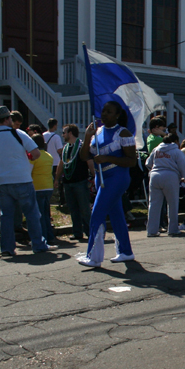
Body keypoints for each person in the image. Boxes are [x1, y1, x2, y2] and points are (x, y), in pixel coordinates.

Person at [0, 106, 51, 256]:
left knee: (6, 216)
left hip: (0, 181)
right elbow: (36, 153)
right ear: (6, 119)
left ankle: (7, 248)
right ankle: (38, 244)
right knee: (32, 214)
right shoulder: (18, 134)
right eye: (10, 118)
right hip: (21, 178)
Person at [77, 101, 137, 267]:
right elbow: (84, 157)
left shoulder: (123, 133)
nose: (104, 114)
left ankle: (93, 257)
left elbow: (132, 161)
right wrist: (87, 136)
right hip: (100, 177)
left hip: (117, 177)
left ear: (117, 115)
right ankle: (126, 251)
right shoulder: (97, 132)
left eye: (109, 112)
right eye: (103, 111)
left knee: (97, 214)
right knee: (117, 215)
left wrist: (108, 158)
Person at [146, 133, 185, 237]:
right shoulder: (176, 151)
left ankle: (152, 230)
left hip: (155, 176)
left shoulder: (156, 150)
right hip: (170, 176)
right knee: (172, 204)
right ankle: (173, 229)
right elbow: (184, 166)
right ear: (175, 141)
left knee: (153, 204)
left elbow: (148, 163)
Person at [54, 124, 94, 241]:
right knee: (73, 209)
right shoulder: (66, 148)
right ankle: (77, 233)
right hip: (68, 183)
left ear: (70, 133)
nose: (63, 135)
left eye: (64, 132)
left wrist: (95, 177)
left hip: (80, 182)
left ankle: (90, 232)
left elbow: (89, 162)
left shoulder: (81, 147)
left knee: (84, 209)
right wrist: (56, 178)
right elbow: (61, 163)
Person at [30, 134, 56, 244]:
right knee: (46, 213)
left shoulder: (34, 157)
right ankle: (49, 236)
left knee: (39, 215)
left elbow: (29, 171)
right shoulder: (49, 156)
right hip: (48, 186)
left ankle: (43, 237)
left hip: (37, 186)